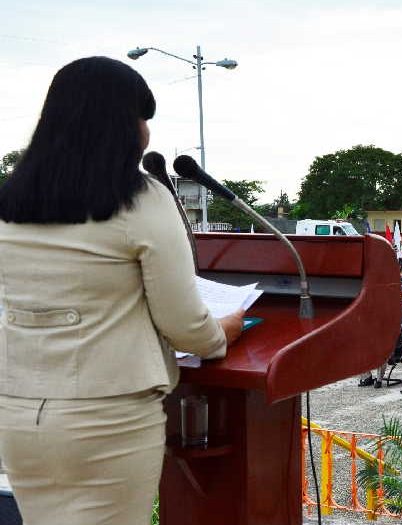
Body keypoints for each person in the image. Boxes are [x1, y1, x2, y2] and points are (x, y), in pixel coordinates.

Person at [0, 57, 245, 525]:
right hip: (109, 424)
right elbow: (184, 324)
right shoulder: (142, 199)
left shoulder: (11, 200)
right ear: (120, 124)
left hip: (19, 414)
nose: (146, 132)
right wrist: (223, 334)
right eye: (143, 118)